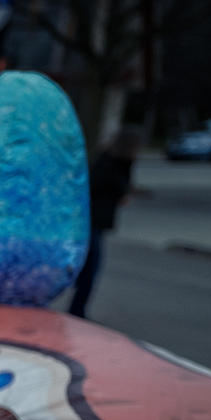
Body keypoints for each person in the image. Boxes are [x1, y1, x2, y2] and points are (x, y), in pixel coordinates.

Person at [68, 127, 142, 318]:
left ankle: (77, 306)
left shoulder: (109, 160)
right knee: (91, 266)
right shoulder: (112, 164)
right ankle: (77, 309)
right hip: (92, 221)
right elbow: (121, 191)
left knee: (86, 266)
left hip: (92, 221)